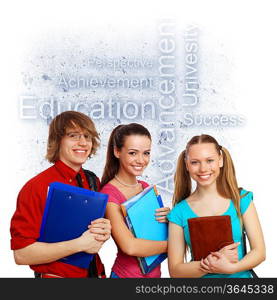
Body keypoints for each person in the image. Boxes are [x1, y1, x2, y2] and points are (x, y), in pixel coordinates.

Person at [10, 111, 111, 278]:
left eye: (87, 136)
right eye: (73, 136)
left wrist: (103, 231)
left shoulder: (92, 180)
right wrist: (79, 245)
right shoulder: (36, 187)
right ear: (58, 141)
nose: (83, 143)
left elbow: (91, 234)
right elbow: (21, 254)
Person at [167, 134, 265, 278]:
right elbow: (175, 270)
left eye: (210, 160)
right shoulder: (178, 212)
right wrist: (211, 263)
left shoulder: (241, 200)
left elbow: (259, 252)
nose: (203, 168)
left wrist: (231, 268)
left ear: (220, 160)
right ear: (186, 164)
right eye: (195, 162)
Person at [100, 123, 170, 278]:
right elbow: (129, 246)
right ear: (117, 151)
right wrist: (174, 245)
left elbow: (154, 233)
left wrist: (169, 220)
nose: (141, 160)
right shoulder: (110, 195)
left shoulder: (145, 187)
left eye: (146, 153)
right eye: (133, 153)